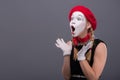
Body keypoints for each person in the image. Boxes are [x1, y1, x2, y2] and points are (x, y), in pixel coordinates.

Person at [55, 5, 107, 80]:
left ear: (88, 25)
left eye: (78, 19)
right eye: (72, 18)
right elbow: (66, 77)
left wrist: (81, 58)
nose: (73, 21)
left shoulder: (99, 46)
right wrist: (66, 54)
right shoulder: (69, 44)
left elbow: (93, 78)